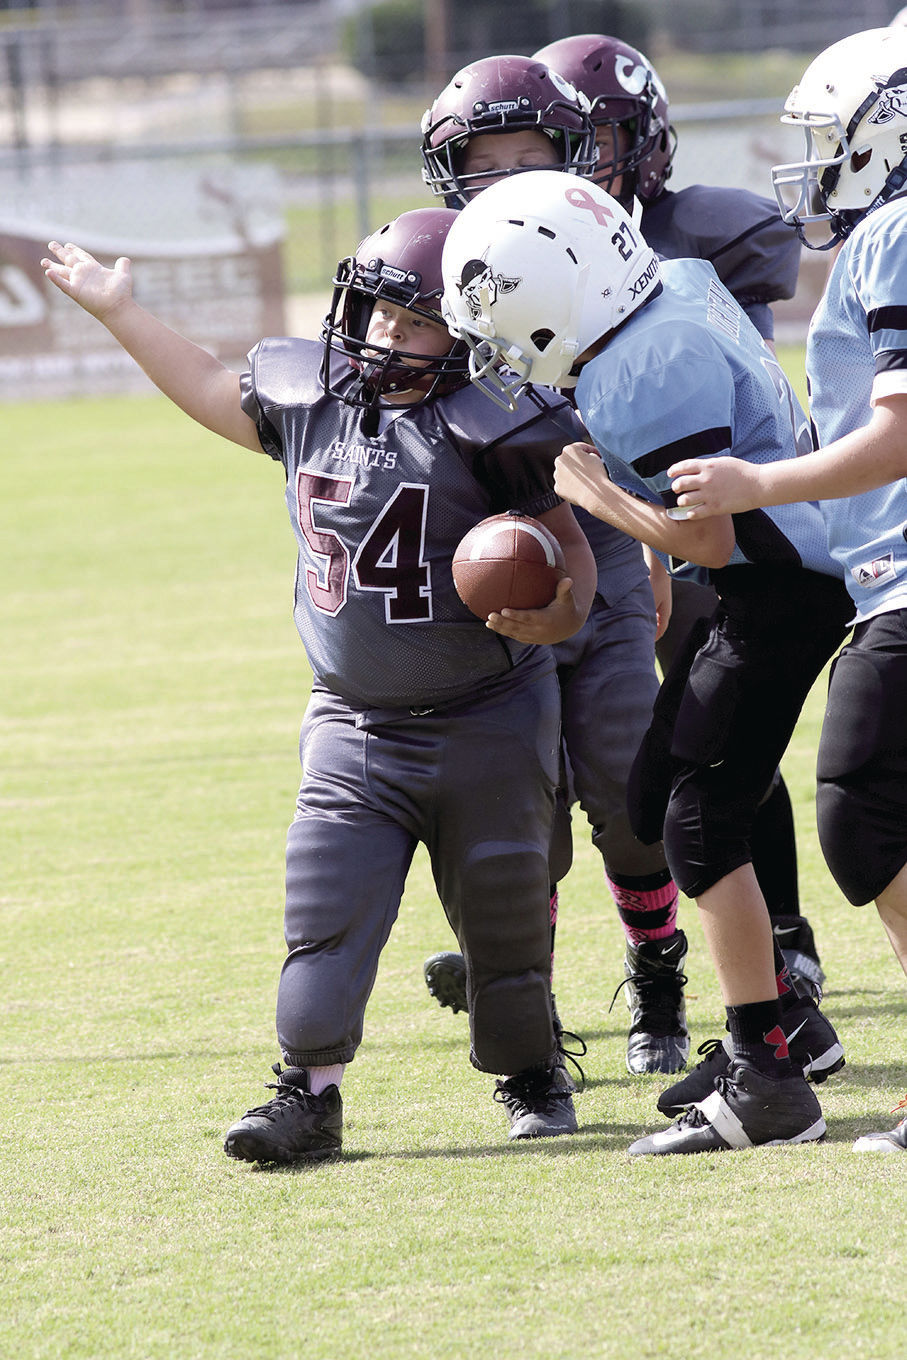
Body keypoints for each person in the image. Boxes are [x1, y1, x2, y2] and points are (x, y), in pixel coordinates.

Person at [42, 208, 599, 1160]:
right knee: (324, 911)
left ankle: (529, 1068)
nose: (387, 333)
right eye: (378, 311)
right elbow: (216, 388)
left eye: (415, 320)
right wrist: (120, 314)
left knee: (505, 915)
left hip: (489, 713)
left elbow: (573, 557)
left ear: (468, 333)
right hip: (354, 718)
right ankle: (307, 1095)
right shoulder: (309, 396)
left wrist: (559, 614)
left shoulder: (497, 422)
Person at [441, 169, 850, 1155]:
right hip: (779, 572)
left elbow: (707, 541)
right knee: (661, 782)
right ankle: (790, 1025)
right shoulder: (670, 285)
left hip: (781, 589)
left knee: (697, 822)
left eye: (499, 310)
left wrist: (592, 497)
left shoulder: (636, 372)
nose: (495, 340)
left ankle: (768, 1075)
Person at [533, 32, 827, 1002]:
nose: (576, 162)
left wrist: (611, 496)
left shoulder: (695, 247)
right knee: (674, 774)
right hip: (671, 525)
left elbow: (709, 434)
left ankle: (780, 958)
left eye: (593, 139)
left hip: (737, 534)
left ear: (643, 139)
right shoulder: (542, 243)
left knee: (719, 772)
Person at [420, 52, 691, 1074]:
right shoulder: (425, 262)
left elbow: (644, 409)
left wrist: (649, 529)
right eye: (477, 162)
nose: (500, 178)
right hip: (491, 553)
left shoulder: (601, 249)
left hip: (607, 535)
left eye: (523, 155)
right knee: (514, 805)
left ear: (572, 156)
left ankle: (656, 965)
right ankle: (523, 999)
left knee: (628, 777)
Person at [666, 25, 907, 1152]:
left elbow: (899, 433)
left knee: (863, 808)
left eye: (827, 137)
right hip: (880, 578)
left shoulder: (898, 230)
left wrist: (762, 476)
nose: (811, 161)